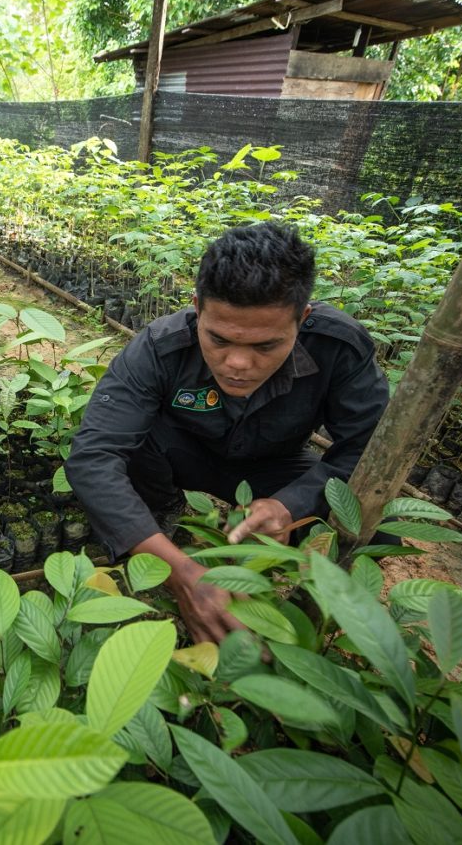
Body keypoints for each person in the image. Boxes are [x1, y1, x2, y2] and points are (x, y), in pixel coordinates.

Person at [64, 222, 389, 644]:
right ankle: (162, 513)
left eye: (265, 346)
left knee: (376, 520)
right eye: (218, 339)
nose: (237, 363)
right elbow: (94, 456)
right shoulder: (160, 347)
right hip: (179, 455)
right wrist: (179, 573)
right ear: (197, 307)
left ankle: (312, 624)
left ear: (302, 319)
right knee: (135, 447)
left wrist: (291, 504)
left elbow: (365, 449)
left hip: (273, 466)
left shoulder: (338, 347)